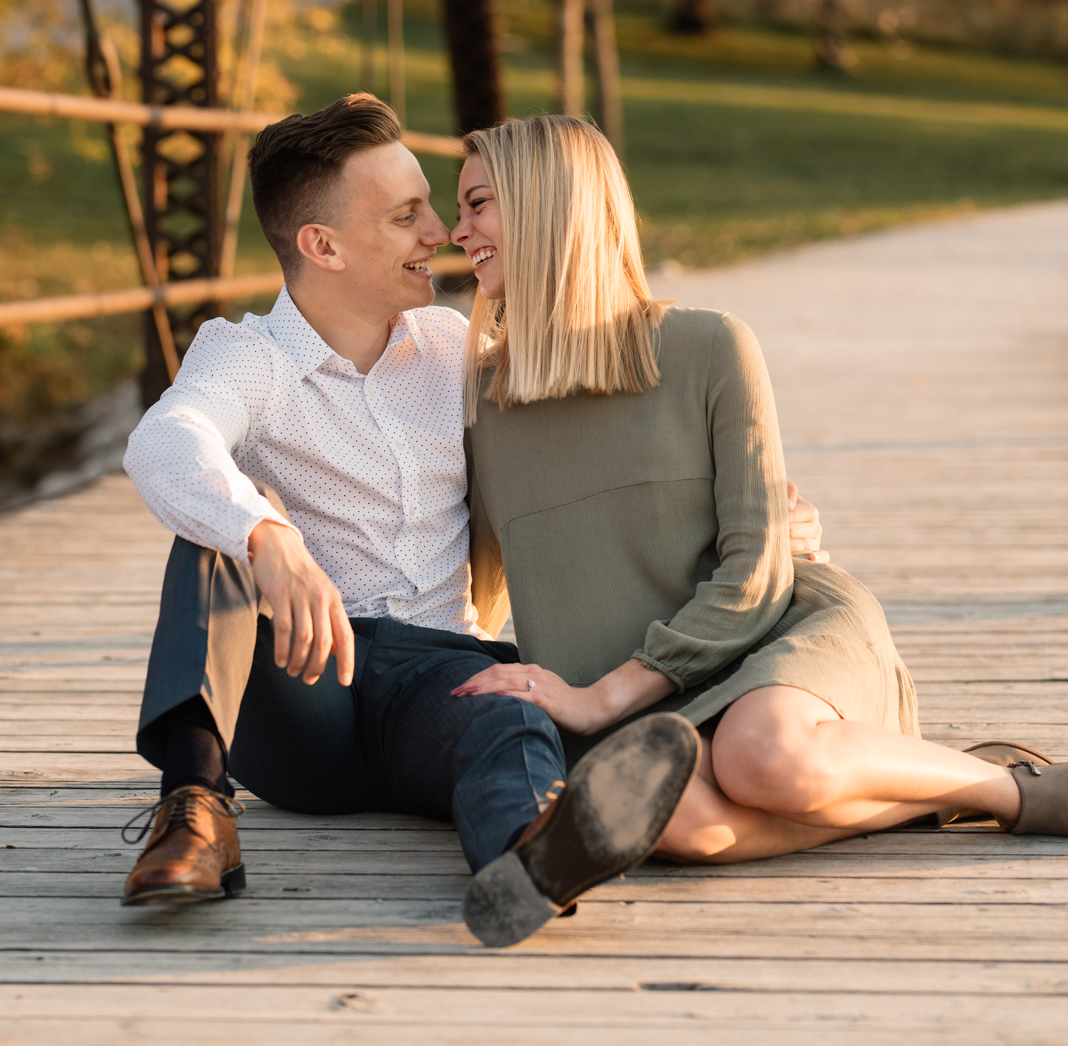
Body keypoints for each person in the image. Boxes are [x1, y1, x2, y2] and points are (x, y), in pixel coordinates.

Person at [120, 94, 701, 947]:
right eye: (405, 216)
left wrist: (738, 502)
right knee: (215, 534)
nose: (441, 230)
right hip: (304, 684)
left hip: (440, 675)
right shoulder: (247, 355)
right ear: (322, 246)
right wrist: (268, 538)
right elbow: (168, 440)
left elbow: (597, 437)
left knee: (511, 708)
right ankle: (195, 811)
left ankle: (532, 855)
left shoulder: (451, 346)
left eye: (433, 205)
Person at [450, 113, 1068, 866]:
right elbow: (475, 597)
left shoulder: (708, 347)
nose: (458, 232)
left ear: (546, 205)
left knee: (760, 754)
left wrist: (604, 697)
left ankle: (1012, 789)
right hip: (642, 704)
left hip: (772, 636)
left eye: (477, 205)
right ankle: (923, 794)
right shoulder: (485, 401)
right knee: (673, 825)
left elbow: (755, 574)